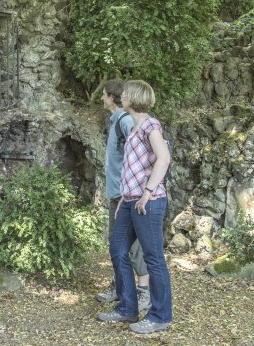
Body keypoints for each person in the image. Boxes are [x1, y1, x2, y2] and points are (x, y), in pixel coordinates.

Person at [98, 80, 172, 334]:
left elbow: (163, 159)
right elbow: (131, 169)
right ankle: (127, 308)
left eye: (127, 93)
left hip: (148, 203)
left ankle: (160, 316)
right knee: (118, 250)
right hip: (128, 201)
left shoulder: (150, 125)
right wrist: (123, 198)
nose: (123, 96)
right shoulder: (134, 127)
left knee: (153, 259)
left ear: (136, 98)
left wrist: (147, 193)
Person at [96, 80, 151, 312]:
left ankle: (143, 291)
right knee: (118, 245)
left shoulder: (126, 121)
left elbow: (146, 152)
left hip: (127, 195)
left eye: (104, 95)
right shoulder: (117, 121)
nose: (101, 99)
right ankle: (121, 285)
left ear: (111, 97)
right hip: (118, 193)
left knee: (131, 246)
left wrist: (141, 192)